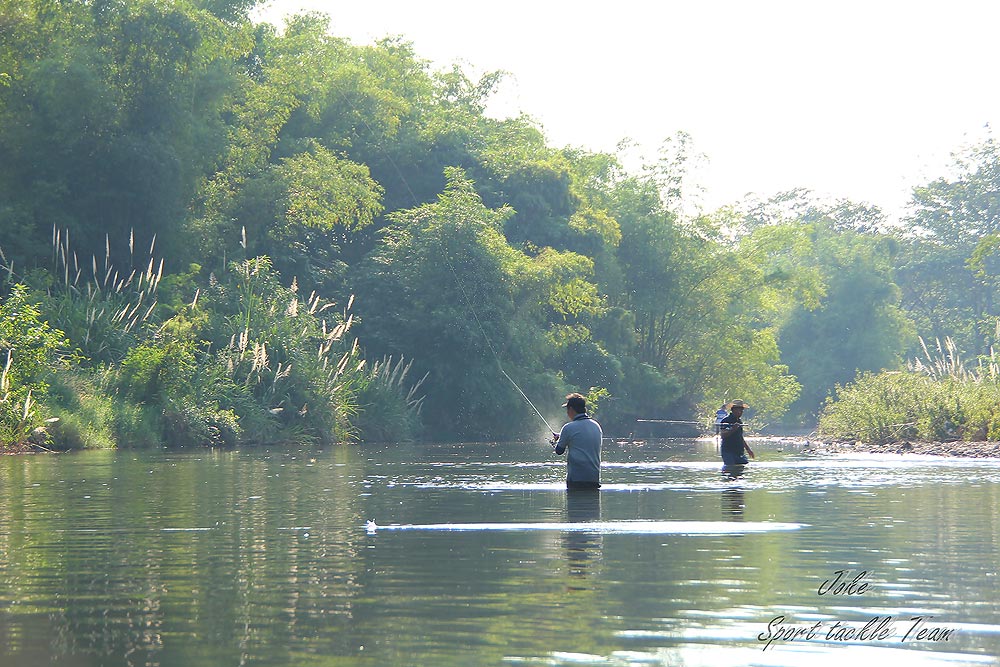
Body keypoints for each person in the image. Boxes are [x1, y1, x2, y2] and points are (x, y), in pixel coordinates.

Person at [550, 392, 602, 489]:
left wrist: (555, 442)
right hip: (593, 480)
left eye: (567, 409)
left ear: (571, 409)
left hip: (576, 481)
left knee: (576, 504)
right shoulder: (596, 426)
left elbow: (559, 451)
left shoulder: (568, 428)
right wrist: (562, 436)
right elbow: (581, 437)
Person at [719, 399, 755, 465]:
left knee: (744, 465)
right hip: (728, 452)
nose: (740, 412)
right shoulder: (726, 420)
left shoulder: (739, 421)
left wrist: (748, 450)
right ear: (733, 410)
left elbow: (740, 437)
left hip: (739, 452)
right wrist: (733, 429)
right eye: (739, 410)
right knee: (731, 468)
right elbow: (723, 435)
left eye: (742, 410)